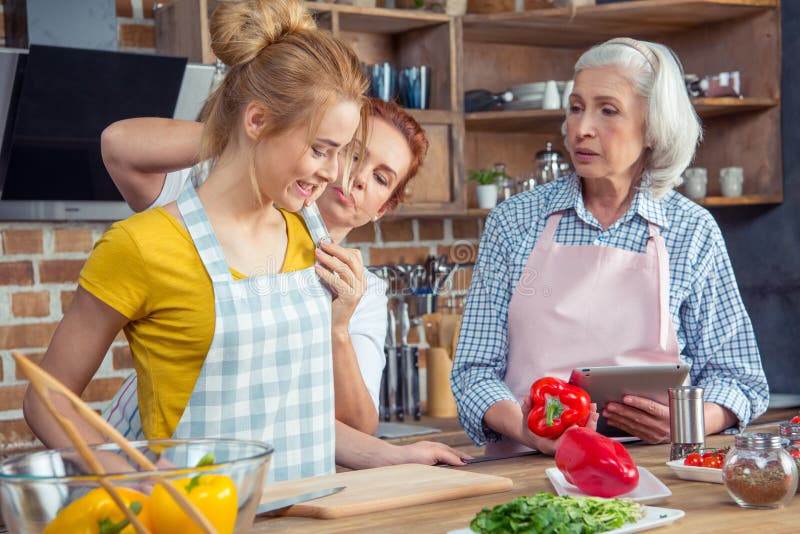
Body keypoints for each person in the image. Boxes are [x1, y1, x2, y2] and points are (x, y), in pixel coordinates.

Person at [23, 0, 464, 482]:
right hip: (196, 516)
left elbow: (289, 417)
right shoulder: (143, 245)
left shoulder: (310, 239)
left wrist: (390, 454)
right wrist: (132, 474)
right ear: (256, 121)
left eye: (344, 155)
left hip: (308, 509)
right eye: (322, 149)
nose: (335, 174)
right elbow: (47, 400)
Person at [451, 37, 769, 455]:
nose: (581, 128)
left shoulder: (691, 231)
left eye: (608, 110)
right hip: (527, 463)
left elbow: (739, 378)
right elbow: (473, 373)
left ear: (654, 127)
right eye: (576, 106)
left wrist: (684, 422)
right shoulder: (515, 222)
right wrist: (528, 432)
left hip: (653, 463)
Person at [101, 98, 426, 436]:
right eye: (352, 154)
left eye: (381, 178)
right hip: (144, 450)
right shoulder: (214, 204)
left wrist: (338, 328)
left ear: (382, 209)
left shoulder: (363, 292)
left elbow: (358, 428)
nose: (357, 177)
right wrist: (253, 140)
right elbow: (120, 145)